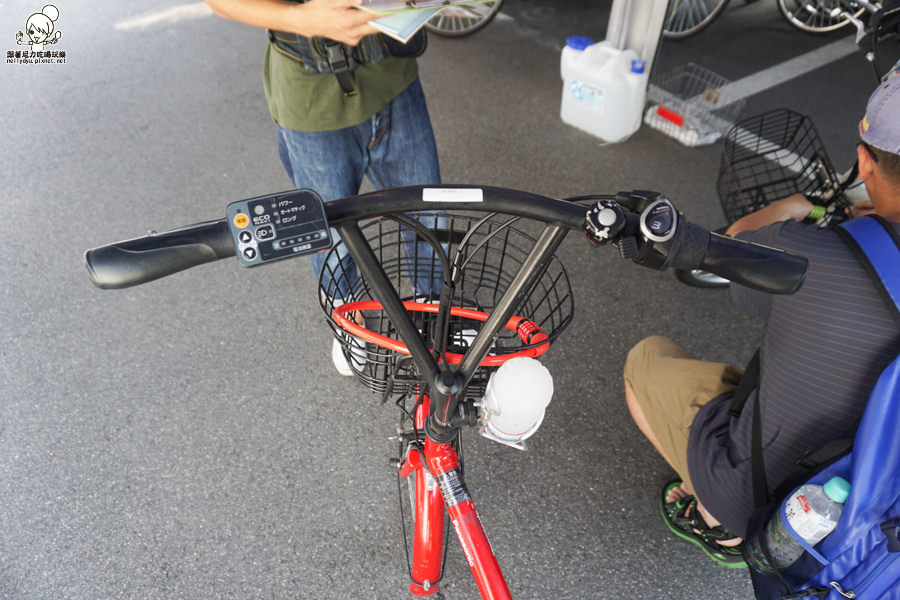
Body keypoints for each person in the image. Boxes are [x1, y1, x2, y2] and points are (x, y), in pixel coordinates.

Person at [623, 76, 900, 567]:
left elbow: (729, 247)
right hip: (877, 507)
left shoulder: (811, 254)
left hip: (774, 500)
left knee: (646, 359)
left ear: (863, 162)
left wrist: (789, 209)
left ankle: (720, 521)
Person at [204, 0, 442, 374]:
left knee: (430, 218)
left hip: (396, 79)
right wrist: (301, 18)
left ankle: (436, 314)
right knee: (328, 231)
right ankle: (349, 321)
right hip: (312, 101)